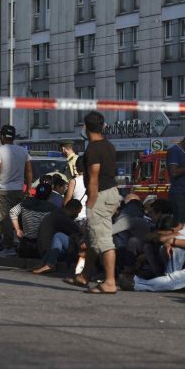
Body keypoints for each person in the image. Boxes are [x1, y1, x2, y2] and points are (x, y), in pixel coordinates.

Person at [65, 111, 121, 294]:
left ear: (85, 128)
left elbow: (94, 178)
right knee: (91, 238)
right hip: (111, 192)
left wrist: (91, 203)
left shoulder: (93, 149)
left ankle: (110, 282)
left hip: (100, 195)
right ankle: (84, 276)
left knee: (103, 240)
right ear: (103, 126)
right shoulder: (109, 146)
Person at [0, 125, 33, 257]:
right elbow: (29, 171)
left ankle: (9, 247)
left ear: (2, 137)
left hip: (3, 191)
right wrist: (29, 188)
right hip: (18, 190)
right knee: (17, 217)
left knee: (4, 219)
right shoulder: (23, 151)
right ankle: (19, 243)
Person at [33, 200, 84, 274]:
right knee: (59, 236)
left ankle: (46, 263)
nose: (77, 215)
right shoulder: (63, 218)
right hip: (49, 251)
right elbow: (78, 232)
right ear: (73, 209)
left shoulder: (56, 214)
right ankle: (50, 264)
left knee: (59, 237)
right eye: (77, 212)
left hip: (44, 251)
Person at [10, 183, 58, 258]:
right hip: (42, 245)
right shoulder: (53, 209)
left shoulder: (25, 203)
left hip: (26, 243)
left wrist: (18, 230)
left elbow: (12, 212)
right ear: (49, 195)